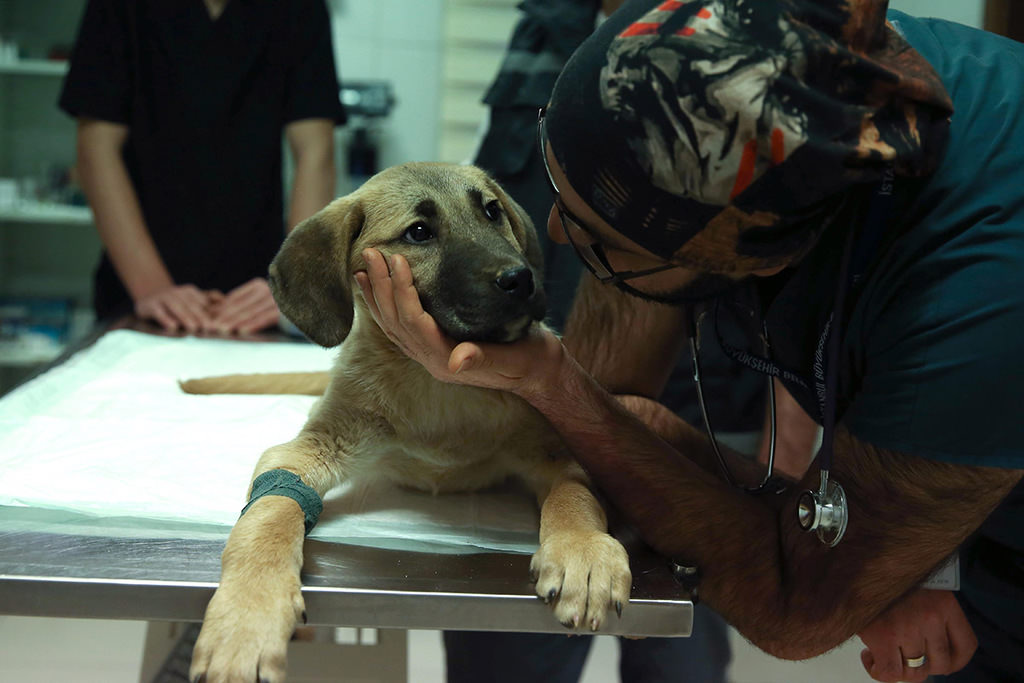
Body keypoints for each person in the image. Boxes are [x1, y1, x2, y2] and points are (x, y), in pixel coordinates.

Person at [354, 2, 1024, 682]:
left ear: (747, 256)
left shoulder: (976, 296)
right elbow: (602, 410)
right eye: (563, 192)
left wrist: (874, 559)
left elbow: (796, 608)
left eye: (599, 237)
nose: (555, 231)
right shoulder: (706, 85)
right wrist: (551, 381)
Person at [448, 1, 735, 681]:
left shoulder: (734, 32)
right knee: (507, 657)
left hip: (701, 423)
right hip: (531, 433)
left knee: (678, 656)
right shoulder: (546, 24)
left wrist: (797, 432)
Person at [59, 0, 345, 334]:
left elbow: (315, 150)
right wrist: (152, 288)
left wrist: (296, 284)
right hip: (137, 286)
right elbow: (97, 148)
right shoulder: (120, 9)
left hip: (256, 293)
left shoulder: (299, 9)